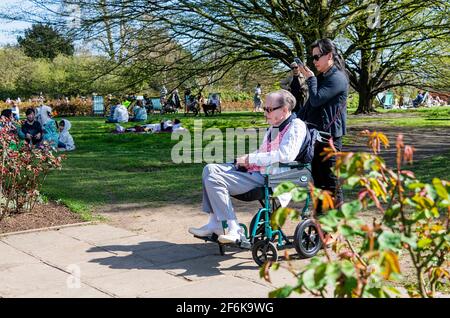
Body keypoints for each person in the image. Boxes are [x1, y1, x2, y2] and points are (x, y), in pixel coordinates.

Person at [188, 89, 307, 243]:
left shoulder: (296, 126)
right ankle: (215, 223)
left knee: (215, 179)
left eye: (269, 109)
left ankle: (234, 229)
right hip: (258, 173)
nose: (265, 112)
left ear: (284, 110)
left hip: (272, 178)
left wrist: (251, 159)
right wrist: (244, 160)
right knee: (209, 169)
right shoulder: (275, 126)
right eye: (265, 108)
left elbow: (285, 155)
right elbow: (265, 151)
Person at [297, 38, 349, 210]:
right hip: (316, 136)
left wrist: (310, 80)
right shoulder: (324, 77)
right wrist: (292, 121)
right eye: (312, 58)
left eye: (317, 57)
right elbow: (310, 105)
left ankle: (338, 223)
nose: (314, 62)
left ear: (329, 56)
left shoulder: (338, 78)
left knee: (331, 181)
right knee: (318, 181)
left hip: (331, 138)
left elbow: (317, 99)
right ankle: (321, 222)